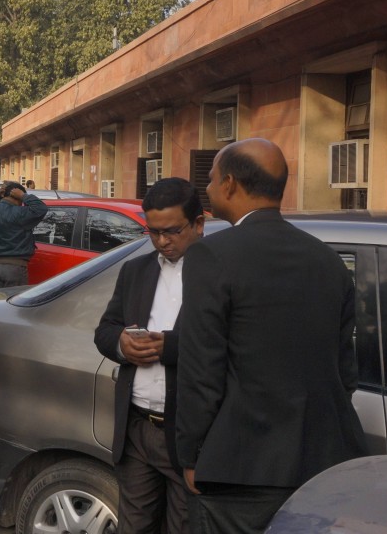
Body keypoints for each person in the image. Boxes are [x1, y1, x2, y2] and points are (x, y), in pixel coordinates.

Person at [176, 138, 367, 534]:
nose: (207, 189)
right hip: (322, 464)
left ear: (229, 184)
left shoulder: (211, 255)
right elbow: (344, 370)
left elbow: (201, 369)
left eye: (210, 179)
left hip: (239, 467)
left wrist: (191, 455)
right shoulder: (327, 259)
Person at [94, 177, 205, 534]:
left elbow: (227, 344)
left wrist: (169, 348)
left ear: (198, 224)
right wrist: (121, 344)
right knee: (134, 526)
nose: (162, 241)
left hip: (188, 434)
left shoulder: (218, 275)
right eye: (153, 232)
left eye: (172, 231)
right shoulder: (136, 270)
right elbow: (105, 329)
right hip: (137, 429)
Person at [0, 181, 47, 288]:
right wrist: (24, 196)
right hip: (14, 267)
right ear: (17, 198)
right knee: (14, 298)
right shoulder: (20, 213)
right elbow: (41, 208)